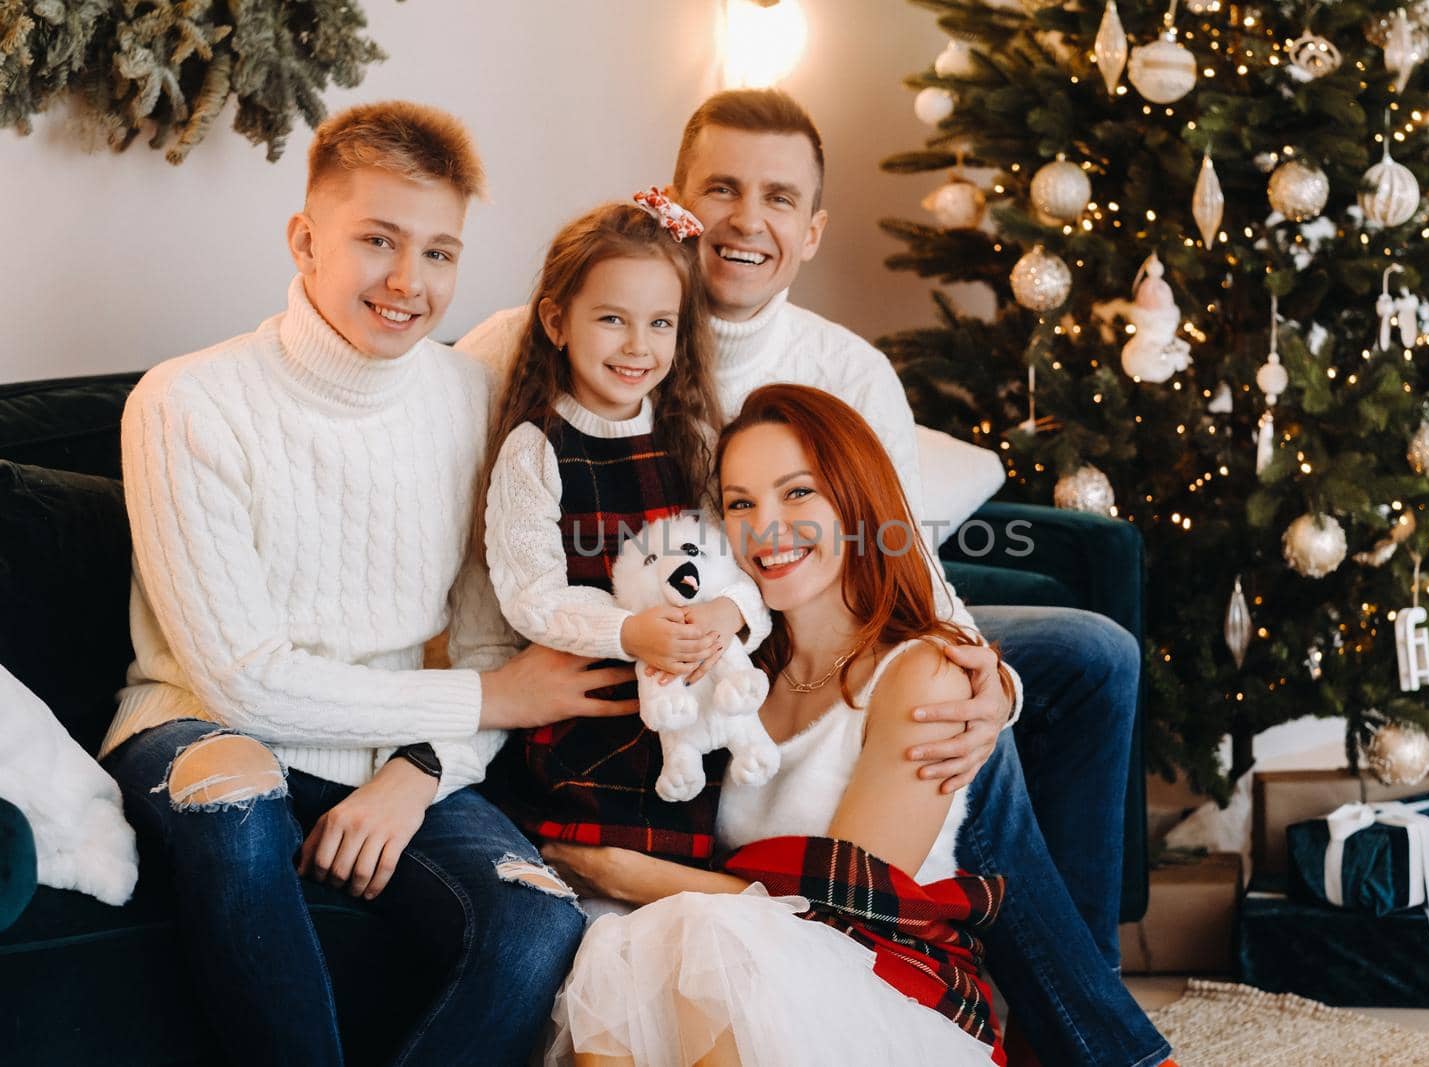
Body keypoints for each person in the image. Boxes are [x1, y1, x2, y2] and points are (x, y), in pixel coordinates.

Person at [458, 89, 1171, 1065]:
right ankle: (1099, 1043)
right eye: (722, 188)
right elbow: (472, 522)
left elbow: (900, 549)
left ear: (809, 228)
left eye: (778, 198)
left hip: (806, 617)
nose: (748, 219)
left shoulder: (845, 365)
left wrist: (987, 681)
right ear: (675, 200)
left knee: (1057, 663)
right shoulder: (553, 331)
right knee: (959, 712)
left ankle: (1081, 1016)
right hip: (677, 647)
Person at [98, 102, 631, 1067]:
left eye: (439, 253)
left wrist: (419, 770)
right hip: (201, 724)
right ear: (305, 241)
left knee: (541, 923)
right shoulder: (187, 401)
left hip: (397, 740)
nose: (407, 281)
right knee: (236, 796)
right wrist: (483, 698)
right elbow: (243, 679)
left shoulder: (473, 401)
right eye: (377, 241)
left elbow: (484, 644)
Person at [542, 383, 1011, 1066]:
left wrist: (625, 873)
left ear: (855, 502)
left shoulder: (922, 674)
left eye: (798, 493)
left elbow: (851, 911)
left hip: (878, 982)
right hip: (735, 965)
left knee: (698, 939)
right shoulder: (735, 669)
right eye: (740, 504)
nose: (766, 528)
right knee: (618, 951)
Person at [475, 199, 769, 890]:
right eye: (612, 319)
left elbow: (743, 566)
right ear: (557, 322)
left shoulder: (692, 437)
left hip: (694, 719)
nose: (638, 346)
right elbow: (530, 597)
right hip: (591, 723)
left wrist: (733, 614)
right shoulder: (535, 448)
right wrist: (629, 630)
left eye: (659, 323)